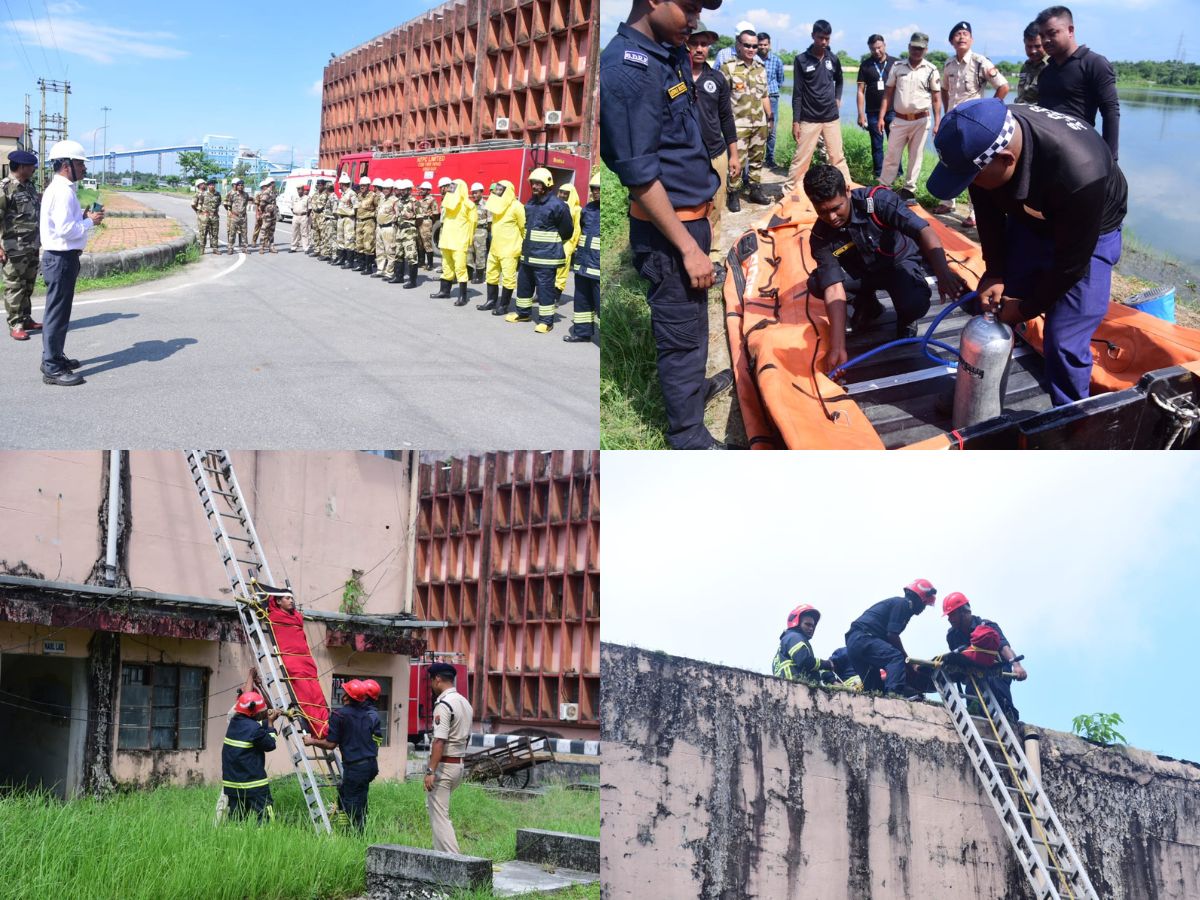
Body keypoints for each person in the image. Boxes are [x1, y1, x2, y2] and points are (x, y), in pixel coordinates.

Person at [928, 97, 1127, 406]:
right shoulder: (985, 141)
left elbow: (1071, 264)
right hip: (1032, 215)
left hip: (1090, 231)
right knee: (994, 307)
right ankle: (977, 397)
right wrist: (994, 271)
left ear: (1008, 159)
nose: (972, 185)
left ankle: (1071, 419)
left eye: (972, 178)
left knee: (1064, 340)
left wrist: (1026, 308)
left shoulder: (1080, 171)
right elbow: (988, 212)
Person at [600, 0, 729, 450]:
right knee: (679, 334)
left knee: (693, 323)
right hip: (668, 233)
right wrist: (688, 249)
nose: (694, 20)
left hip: (689, 224)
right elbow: (638, 176)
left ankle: (691, 397)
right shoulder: (628, 69)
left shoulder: (666, 53)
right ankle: (687, 435)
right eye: (689, 7)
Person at [802, 165, 967, 370]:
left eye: (836, 208)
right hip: (863, 273)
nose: (832, 218)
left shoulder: (878, 201)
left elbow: (924, 230)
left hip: (897, 264)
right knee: (817, 283)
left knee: (915, 303)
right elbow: (833, 287)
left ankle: (906, 319)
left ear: (847, 191)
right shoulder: (820, 236)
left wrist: (943, 273)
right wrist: (837, 347)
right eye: (823, 212)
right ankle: (869, 306)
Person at [39, 140, 103, 387]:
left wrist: (84, 216)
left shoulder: (63, 189)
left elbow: (64, 223)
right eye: (79, 163)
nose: (84, 168)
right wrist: (90, 222)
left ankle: (53, 358)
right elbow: (66, 230)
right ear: (66, 165)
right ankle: (52, 368)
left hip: (62, 258)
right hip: (61, 258)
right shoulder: (63, 191)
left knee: (60, 312)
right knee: (57, 313)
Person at [936, 21, 1009, 227]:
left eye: (965, 33)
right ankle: (947, 202)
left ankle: (973, 213)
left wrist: (989, 111)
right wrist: (946, 109)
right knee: (948, 161)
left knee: (974, 167)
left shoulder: (980, 62)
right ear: (951, 41)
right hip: (953, 123)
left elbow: (1003, 86)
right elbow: (943, 88)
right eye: (957, 34)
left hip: (972, 126)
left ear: (972, 39)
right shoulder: (949, 64)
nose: (961, 37)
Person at [1036, 5, 1120, 160]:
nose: (1046, 40)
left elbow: (1110, 111)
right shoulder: (1046, 72)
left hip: (1077, 150)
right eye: (1042, 35)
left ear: (1070, 30)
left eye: (1052, 33)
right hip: (1045, 148)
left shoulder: (1094, 63)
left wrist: (1111, 158)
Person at [688, 21, 740, 264]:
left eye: (704, 44)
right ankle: (687, 251)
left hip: (715, 153)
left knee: (716, 205)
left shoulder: (717, 78)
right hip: (684, 156)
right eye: (694, 43)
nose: (699, 48)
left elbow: (726, 118)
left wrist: (734, 155)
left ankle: (714, 254)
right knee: (687, 206)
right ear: (684, 44)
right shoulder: (672, 75)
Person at [304, 679, 382, 831]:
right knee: (354, 796)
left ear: (346, 696)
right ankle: (350, 830)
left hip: (356, 767)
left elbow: (331, 744)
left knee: (351, 802)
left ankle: (357, 835)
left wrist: (311, 741)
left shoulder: (339, 715)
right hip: (370, 765)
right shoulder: (367, 715)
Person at [942, 591, 1026, 726]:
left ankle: (1011, 723)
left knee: (999, 696)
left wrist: (1017, 666)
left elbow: (1004, 647)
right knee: (974, 702)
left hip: (996, 668)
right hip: (974, 672)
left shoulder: (986, 626)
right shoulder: (952, 636)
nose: (949, 619)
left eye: (952, 615)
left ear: (963, 612)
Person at [844, 579, 937, 699]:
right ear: (920, 598)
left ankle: (877, 707)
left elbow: (887, 643)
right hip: (863, 638)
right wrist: (908, 663)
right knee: (895, 657)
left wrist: (907, 668)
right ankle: (894, 697)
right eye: (925, 604)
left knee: (875, 689)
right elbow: (892, 636)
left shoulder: (898, 606)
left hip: (854, 643)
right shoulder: (904, 604)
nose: (924, 608)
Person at [877, 33, 942, 203]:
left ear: (926, 50)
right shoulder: (897, 67)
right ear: (908, 47)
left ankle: (909, 190)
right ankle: (884, 187)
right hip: (899, 119)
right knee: (892, 154)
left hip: (921, 120)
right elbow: (887, 94)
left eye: (920, 48)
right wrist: (881, 117)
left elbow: (936, 98)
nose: (916, 51)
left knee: (916, 156)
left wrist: (938, 122)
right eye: (914, 47)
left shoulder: (931, 70)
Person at [506, 168, 571, 332]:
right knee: (524, 285)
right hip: (529, 255)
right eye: (533, 183)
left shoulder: (558, 205)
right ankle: (523, 313)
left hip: (546, 258)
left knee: (545, 289)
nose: (534, 186)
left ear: (547, 184)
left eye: (538, 183)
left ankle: (546, 321)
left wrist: (549, 244)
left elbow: (567, 231)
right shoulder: (530, 203)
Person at [789, 19, 850, 185]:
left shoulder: (833, 59)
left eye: (827, 38)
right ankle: (790, 192)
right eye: (820, 37)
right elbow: (797, 93)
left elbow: (840, 81)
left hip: (831, 117)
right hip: (809, 118)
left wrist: (837, 99)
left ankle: (847, 190)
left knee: (837, 157)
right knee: (801, 159)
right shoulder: (801, 60)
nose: (823, 42)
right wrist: (796, 121)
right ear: (813, 36)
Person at [423, 662, 473, 854]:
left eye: (431, 681)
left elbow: (439, 741)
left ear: (437, 679)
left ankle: (455, 860)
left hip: (444, 767)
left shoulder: (444, 704)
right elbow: (467, 737)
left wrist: (430, 771)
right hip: (457, 765)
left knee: (439, 816)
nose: (431, 686)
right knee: (437, 812)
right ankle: (441, 856)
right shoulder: (464, 703)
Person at [721, 29, 773, 207]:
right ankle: (733, 193)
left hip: (759, 123)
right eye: (747, 45)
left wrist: (770, 117)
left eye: (754, 46)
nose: (751, 49)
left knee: (758, 160)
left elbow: (764, 95)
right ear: (738, 45)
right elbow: (722, 97)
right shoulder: (728, 67)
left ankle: (755, 190)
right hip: (738, 124)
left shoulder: (761, 68)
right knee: (737, 161)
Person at [221, 689, 282, 823]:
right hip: (254, 784)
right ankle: (266, 840)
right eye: (261, 710)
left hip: (232, 784)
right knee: (266, 818)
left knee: (237, 820)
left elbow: (255, 726)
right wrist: (271, 724)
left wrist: (268, 719)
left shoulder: (234, 723)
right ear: (253, 711)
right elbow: (270, 745)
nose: (263, 713)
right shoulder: (255, 729)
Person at [1, 149, 43, 341]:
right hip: (13, 246)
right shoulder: (5, 188)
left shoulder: (29, 187)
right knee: (15, 286)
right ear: (22, 167)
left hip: (31, 245)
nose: (34, 169)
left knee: (28, 285)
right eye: (31, 166)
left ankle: (25, 318)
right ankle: (15, 323)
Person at [857, 35, 898, 182]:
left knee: (895, 145)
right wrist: (861, 114)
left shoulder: (895, 63)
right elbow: (860, 91)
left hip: (893, 111)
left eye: (879, 47)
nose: (877, 51)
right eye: (873, 48)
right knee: (877, 146)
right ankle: (879, 175)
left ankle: (897, 175)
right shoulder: (866, 65)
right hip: (873, 112)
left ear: (885, 45)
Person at [565, 172, 600, 342]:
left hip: (598, 267)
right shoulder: (588, 209)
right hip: (583, 265)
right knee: (582, 301)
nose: (595, 192)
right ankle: (582, 332)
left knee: (601, 304)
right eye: (593, 189)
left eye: (599, 189)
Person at [480, 179, 524, 314]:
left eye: (500, 190)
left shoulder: (517, 206)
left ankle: (503, 306)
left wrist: (521, 246)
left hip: (509, 249)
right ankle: (491, 301)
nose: (498, 192)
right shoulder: (497, 204)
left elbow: (523, 227)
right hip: (495, 247)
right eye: (497, 190)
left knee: (508, 278)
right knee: (491, 275)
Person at [431, 177, 475, 306]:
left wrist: (469, 241)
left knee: (460, 269)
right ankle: (444, 291)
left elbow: (473, 225)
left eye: (453, 187)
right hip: (446, 241)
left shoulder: (469, 205)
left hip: (459, 242)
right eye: (450, 187)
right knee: (446, 267)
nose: (451, 189)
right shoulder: (447, 202)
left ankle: (463, 296)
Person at [772, 604, 833, 683]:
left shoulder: (785, 645)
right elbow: (804, 661)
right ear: (796, 623)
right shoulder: (793, 637)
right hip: (795, 688)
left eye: (813, 626)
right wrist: (826, 664)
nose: (811, 628)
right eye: (807, 624)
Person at [757, 32, 785, 171]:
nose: (763, 47)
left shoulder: (776, 60)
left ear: (770, 45)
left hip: (772, 97)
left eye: (765, 44)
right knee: (756, 129)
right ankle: (755, 160)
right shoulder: (752, 59)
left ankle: (770, 159)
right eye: (760, 44)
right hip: (755, 99)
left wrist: (771, 91)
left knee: (771, 130)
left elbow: (780, 80)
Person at [555, 183, 582, 304]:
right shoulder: (555, 206)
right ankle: (540, 293)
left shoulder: (577, 209)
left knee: (562, 269)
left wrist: (571, 245)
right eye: (561, 192)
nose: (562, 195)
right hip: (553, 241)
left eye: (565, 193)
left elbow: (577, 228)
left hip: (567, 243)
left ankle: (556, 295)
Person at [394, 179, 422, 288]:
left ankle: (412, 281)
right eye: (400, 190)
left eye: (404, 190)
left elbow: (420, 218)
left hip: (409, 231)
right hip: (400, 231)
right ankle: (399, 277)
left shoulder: (414, 202)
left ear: (409, 190)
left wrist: (412, 227)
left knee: (411, 256)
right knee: (398, 254)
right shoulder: (399, 202)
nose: (401, 191)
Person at [1015, 21, 1048, 105]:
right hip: (1022, 112)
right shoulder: (1026, 66)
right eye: (1029, 46)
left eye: (1037, 46)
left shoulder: (1052, 65)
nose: (1033, 51)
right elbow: (1022, 96)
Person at [373, 179, 398, 278]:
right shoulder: (382, 199)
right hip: (379, 227)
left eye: (387, 188)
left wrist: (392, 221)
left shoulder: (395, 200)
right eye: (384, 188)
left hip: (389, 228)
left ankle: (389, 272)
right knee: (379, 250)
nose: (385, 190)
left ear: (391, 189)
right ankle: (380, 270)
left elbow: (397, 215)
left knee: (390, 251)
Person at [355, 177, 380, 274]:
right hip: (359, 221)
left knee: (368, 245)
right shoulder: (359, 195)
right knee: (359, 243)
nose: (362, 187)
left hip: (369, 222)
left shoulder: (373, 196)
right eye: (361, 185)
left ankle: (368, 268)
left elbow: (378, 207)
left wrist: (373, 215)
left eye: (364, 185)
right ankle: (361, 265)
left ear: (368, 186)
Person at [467, 182, 490, 283]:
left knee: (480, 253)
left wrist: (485, 233)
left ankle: (480, 276)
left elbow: (490, 222)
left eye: (476, 193)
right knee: (469, 252)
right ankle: (469, 274)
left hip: (481, 231)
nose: (474, 195)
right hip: (471, 230)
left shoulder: (486, 205)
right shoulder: (471, 205)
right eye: (473, 193)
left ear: (481, 192)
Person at [224, 178, 252, 254]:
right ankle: (230, 248)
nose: (240, 186)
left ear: (243, 186)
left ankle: (245, 248)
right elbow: (228, 204)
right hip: (234, 216)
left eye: (242, 185)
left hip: (243, 217)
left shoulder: (246, 195)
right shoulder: (232, 194)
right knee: (232, 233)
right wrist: (230, 212)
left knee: (244, 233)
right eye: (239, 185)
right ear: (237, 186)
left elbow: (245, 204)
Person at [335, 172, 358, 268]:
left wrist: (353, 217)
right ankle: (341, 259)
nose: (339, 186)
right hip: (341, 218)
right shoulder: (343, 194)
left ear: (343, 184)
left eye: (340, 184)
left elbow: (356, 207)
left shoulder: (351, 193)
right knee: (340, 239)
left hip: (349, 218)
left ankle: (350, 262)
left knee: (349, 239)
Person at [416, 181, 439, 270]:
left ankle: (430, 264)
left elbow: (436, 212)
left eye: (423, 189)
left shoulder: (432, 200)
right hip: (419, 222)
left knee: (427, 243)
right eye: (421, 189)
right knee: (420, 243)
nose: (421, 190)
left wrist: (430, 220)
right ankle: (421, 262)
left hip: (426, 222)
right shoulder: (420, 200)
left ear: (428, 191)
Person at [255, 178, 279, 254]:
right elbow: (262, 204)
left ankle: (271, 247)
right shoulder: (266, 192)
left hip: (273, 215)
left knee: (271, 232)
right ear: (270, 183)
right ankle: (261, 247)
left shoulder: (273, 192)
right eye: (273, 183)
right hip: (267, 216)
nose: (274, 184)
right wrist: (264, 211)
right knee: (264, 231)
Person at [290, 183, 311, 254]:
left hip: (304, 216)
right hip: (295, 216)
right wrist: (296, 213)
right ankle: (293, 247)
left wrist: (306, 216)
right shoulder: (294, 197)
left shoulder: (307, 198)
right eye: (298, 189)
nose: (299, 191)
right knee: (294, 232)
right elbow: (292, 207)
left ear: (303, 190)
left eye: (301, 189)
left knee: (304, 233)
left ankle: (306, 248)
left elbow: (310, 208)